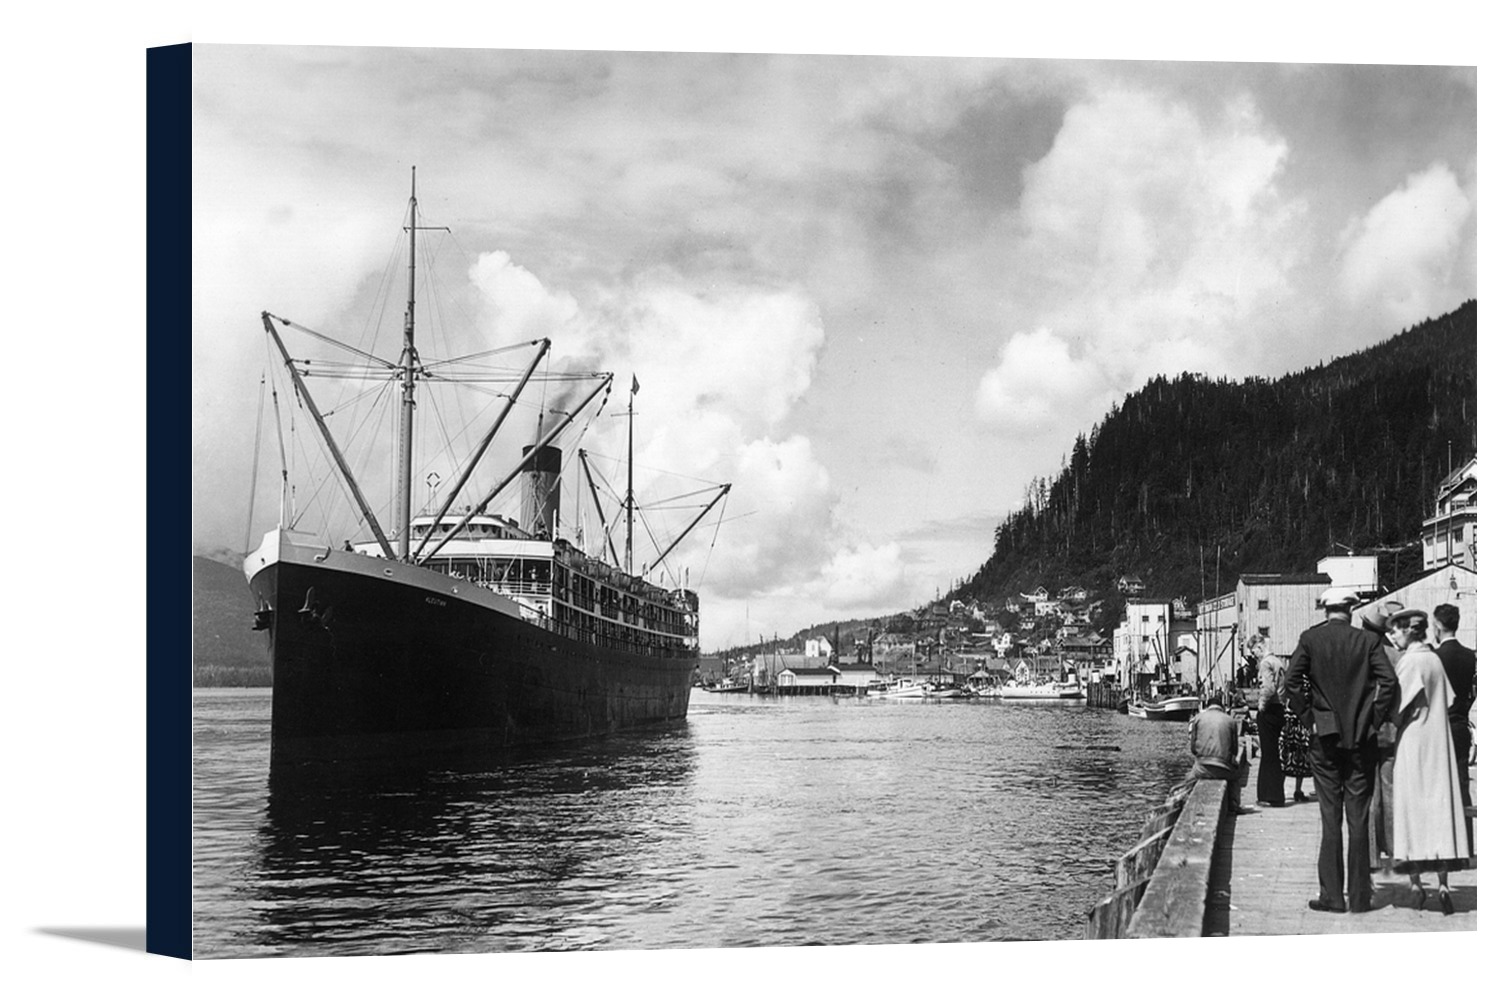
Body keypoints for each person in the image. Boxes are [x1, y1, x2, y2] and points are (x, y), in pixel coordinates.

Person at [1285, 586, 1398, 914]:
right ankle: (1360, 897)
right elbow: (1388, 682)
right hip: (1361, 739)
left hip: (1325, 739)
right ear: (1351, 609)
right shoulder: (1368, 642)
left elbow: (1292, 682)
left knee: (1330, 817)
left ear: (1325, 610)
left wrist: (1310, 718)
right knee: (1358, 818)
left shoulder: (1310, 640)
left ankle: (1332, 896)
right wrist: (1372, 718)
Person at [1387, 608, 1469, 915]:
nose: (1393, 635)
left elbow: (1397, 709)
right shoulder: (1434, 659)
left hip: (1414, 741)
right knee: (1439, 809)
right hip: (1439, 740)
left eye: (1397, 630)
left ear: (1410, 631)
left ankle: (1416, 884)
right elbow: (1448, 699)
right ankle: (1444, 884)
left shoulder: (1410, 662)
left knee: (1411, 810)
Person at [1358, 599, 1404, 873]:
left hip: (1368, 730)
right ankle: (1396, 850)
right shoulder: (1397, 655)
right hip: (1393, 731)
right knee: (1391, 792)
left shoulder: (1363, 655)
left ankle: (1373, 855)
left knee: (1369, 794)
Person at [1432, 603, 1476, 855]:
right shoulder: (1470, 655)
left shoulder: (1437, 657)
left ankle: (1443, 844)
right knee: (1462, 784)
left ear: (1437, 626)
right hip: (1460, 722)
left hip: (1440, 724)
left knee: (1439, 787)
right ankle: (1466, 844)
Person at [1188, 690, 1247, 813]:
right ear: (1221, 707)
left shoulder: (1197, 719)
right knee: (1236, 775)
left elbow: (1193, 749)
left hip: (1202, 769)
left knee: (1188, 778)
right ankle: (1234, 803)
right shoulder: (1230, 720)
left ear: (1207, 707)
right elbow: (1234, 751)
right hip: (1223, 769)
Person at [1249, 634, 1287, 807]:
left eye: (1253, 651)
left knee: (1268, 754)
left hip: (1270, 710)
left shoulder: (1265, 663)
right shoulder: (1278, 662)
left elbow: (1268, 688)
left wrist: (1261, 707)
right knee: (1274, 754)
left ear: (1259, 647)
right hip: (1279, 708)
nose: (1253, 655)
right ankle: (1275, 794)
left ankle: (1269, 795)